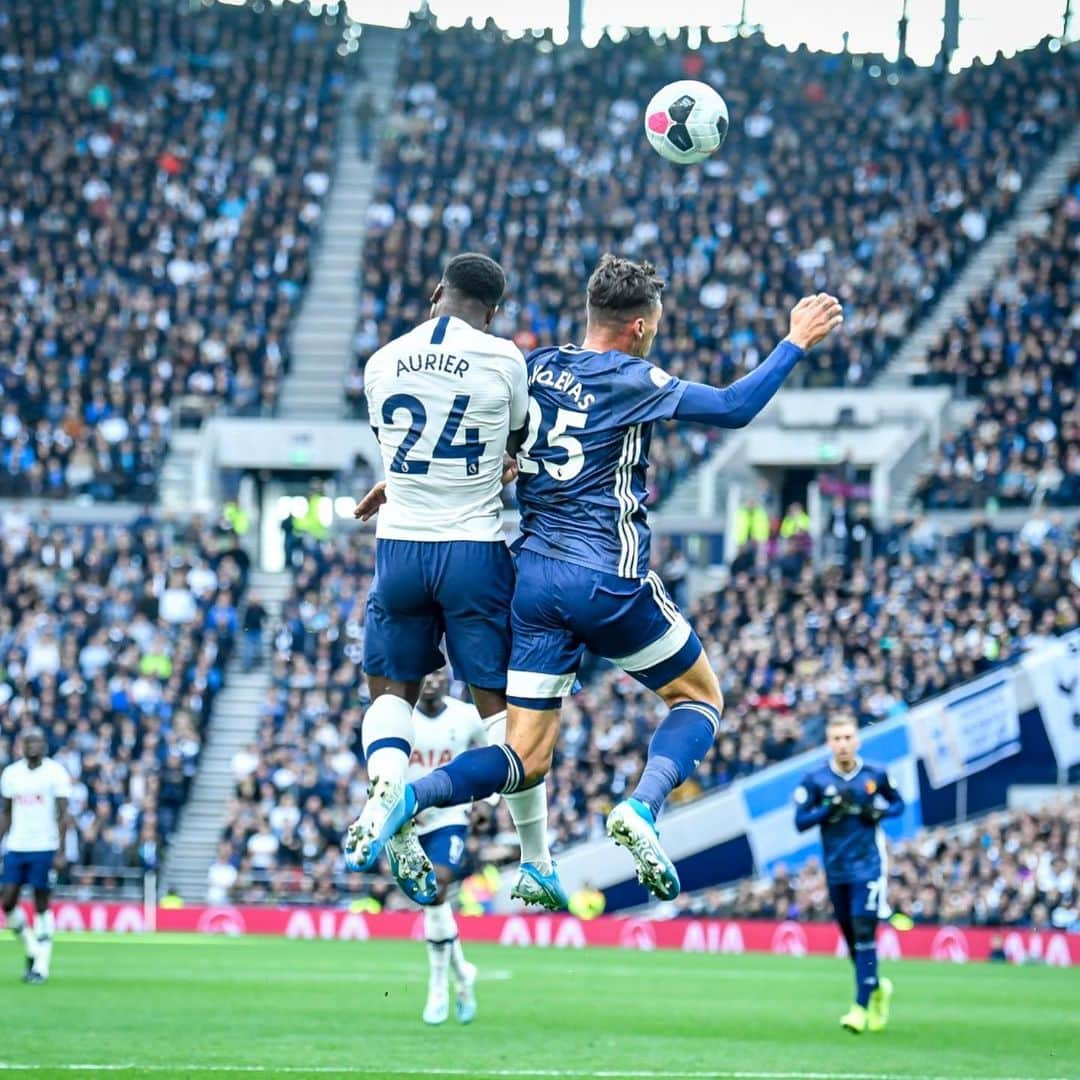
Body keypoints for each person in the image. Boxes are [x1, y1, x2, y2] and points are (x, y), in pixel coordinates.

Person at [355, 254, 842, 903]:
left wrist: (403, 483)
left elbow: (476, 444)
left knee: (523, 759)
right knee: (699, 697)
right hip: (605, 577)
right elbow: (733, 407)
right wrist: (794, 341)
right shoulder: (635, 376)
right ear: (640, 326)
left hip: (530, 585)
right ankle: (641, 807)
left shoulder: (533, 369)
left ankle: (409, 797)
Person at [343, 253, 559, 911]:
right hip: (474, 552)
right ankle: (538, 858)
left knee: (390, 691)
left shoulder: (381, 360)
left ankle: (387, 792)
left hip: (401, 548)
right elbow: (517, 446)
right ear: (492, 312)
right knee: (504, 717)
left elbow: (398, 446)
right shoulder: (504, 359)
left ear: (437, 293)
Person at [794, 713, 905, 1033]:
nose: (842, 744)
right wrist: (828, 810)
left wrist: (878, 811)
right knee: (852, 941)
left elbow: (898, 805)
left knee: (864, 932)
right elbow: (800, 821)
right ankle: (876, 988)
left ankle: (859, 1008)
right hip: (836, 870)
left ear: (857, 740)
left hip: (868, 867)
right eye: (836, 739)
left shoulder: (875, 774)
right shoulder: (815, 779)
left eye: (847, 738)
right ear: (829, 743)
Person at [408, 670, 485, 1026]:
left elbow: (492, 751)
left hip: (450, 816)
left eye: (439, 672)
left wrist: (489, 800)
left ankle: (437, 984)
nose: (433, 679)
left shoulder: (466, 715)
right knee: (431, 903)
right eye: (427, 673)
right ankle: (462, 974)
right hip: (407, 822)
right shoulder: (400, 718)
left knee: (436, 886)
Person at [0, 727, 71, 984]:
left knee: (41, 903)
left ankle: (41, 966)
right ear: (21, 745)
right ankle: (32, 948)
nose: (32, 745)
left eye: (37, 741)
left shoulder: (55, 773)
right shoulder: (11, 774)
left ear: (45, 745)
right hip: (17, 845)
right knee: (7, 901)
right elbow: (6, 813)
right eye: (28, 741)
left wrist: (62, 850)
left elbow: (63, 815)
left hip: (44, 845)